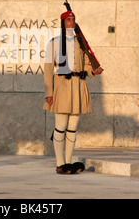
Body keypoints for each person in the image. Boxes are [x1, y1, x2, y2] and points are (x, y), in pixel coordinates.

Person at [43, 10, 103, 174]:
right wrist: (49, 92)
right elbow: (48, 70)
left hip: (78, 85)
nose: (71, 22)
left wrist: (94, 71)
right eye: (68, 20)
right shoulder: (54, 43)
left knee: (72, 127)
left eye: (73, 19)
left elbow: (85, 66)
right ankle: (60, 163)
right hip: (61, 86)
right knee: (60, 126)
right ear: (63, 23)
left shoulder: (80, 43)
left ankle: (69, 161)